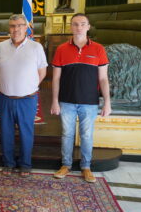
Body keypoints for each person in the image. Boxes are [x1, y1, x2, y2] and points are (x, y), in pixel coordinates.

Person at [51, 13, 111, 183]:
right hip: (66, 101)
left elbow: (103, 78)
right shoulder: (61, 49)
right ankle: (66, 165)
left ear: (88, 27)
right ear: (71, 26)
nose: (79, 27)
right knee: (67, 134)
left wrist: (107, 102)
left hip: (89, 102)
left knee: (86, 135)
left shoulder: (98, 49)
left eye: (82, 24)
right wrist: (55, 101)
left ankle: (86, 167)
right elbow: (55, 78)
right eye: (75, 24)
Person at [0, 14, 48, 177]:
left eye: (19, 25)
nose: (15, 29)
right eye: (12, 26)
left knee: (26, 132)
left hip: (27, 99)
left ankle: (25, 164)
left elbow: (42, 72)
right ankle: (8, 163)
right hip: (5, 98)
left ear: (26, 27)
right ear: (8, 28)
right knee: (6, 132)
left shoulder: (36, 47)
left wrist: (28, 86)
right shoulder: (0, 47)